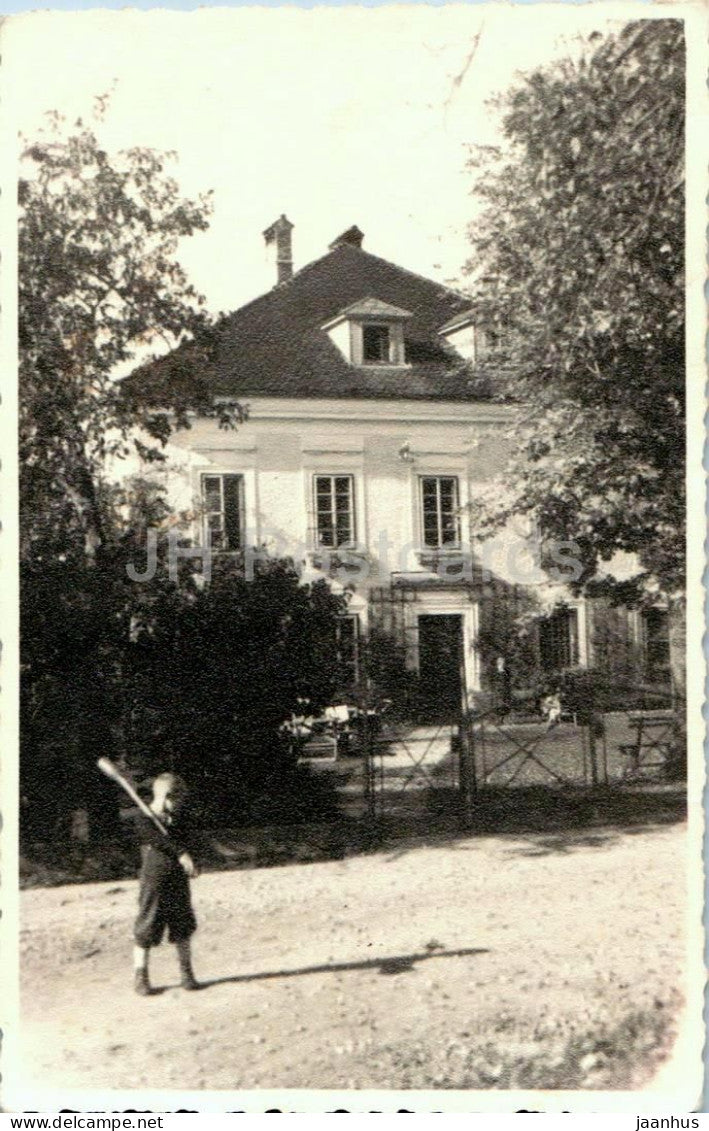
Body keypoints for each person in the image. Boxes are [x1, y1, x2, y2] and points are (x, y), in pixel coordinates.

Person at [133, 772, 200, 996]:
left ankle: (186, 972)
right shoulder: (144, 818)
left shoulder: (180, 818)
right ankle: (140, 975)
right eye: (176, 799)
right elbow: (158, 841)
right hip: (154, 879)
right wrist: (181, 853)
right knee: (147, 926)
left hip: (177, 878)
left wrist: (192, 858)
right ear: (165, 797)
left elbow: (189, 841)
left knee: (183, 925)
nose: (180, 805)